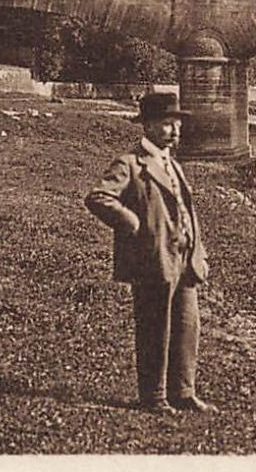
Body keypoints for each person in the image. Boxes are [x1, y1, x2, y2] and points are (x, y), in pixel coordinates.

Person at [85, 92, 214, 414]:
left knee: (187, 326)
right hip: (153, 258)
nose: (174, 131)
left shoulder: (172, 164)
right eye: (167, 124)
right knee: (155, 327)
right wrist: (134, 224)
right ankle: (153, 396)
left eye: (177, 124)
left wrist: (199, 251)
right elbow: (99, 197)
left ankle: (183, 392)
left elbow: (185, 210)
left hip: (184, 259)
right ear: (149, 126)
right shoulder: (130, 162)